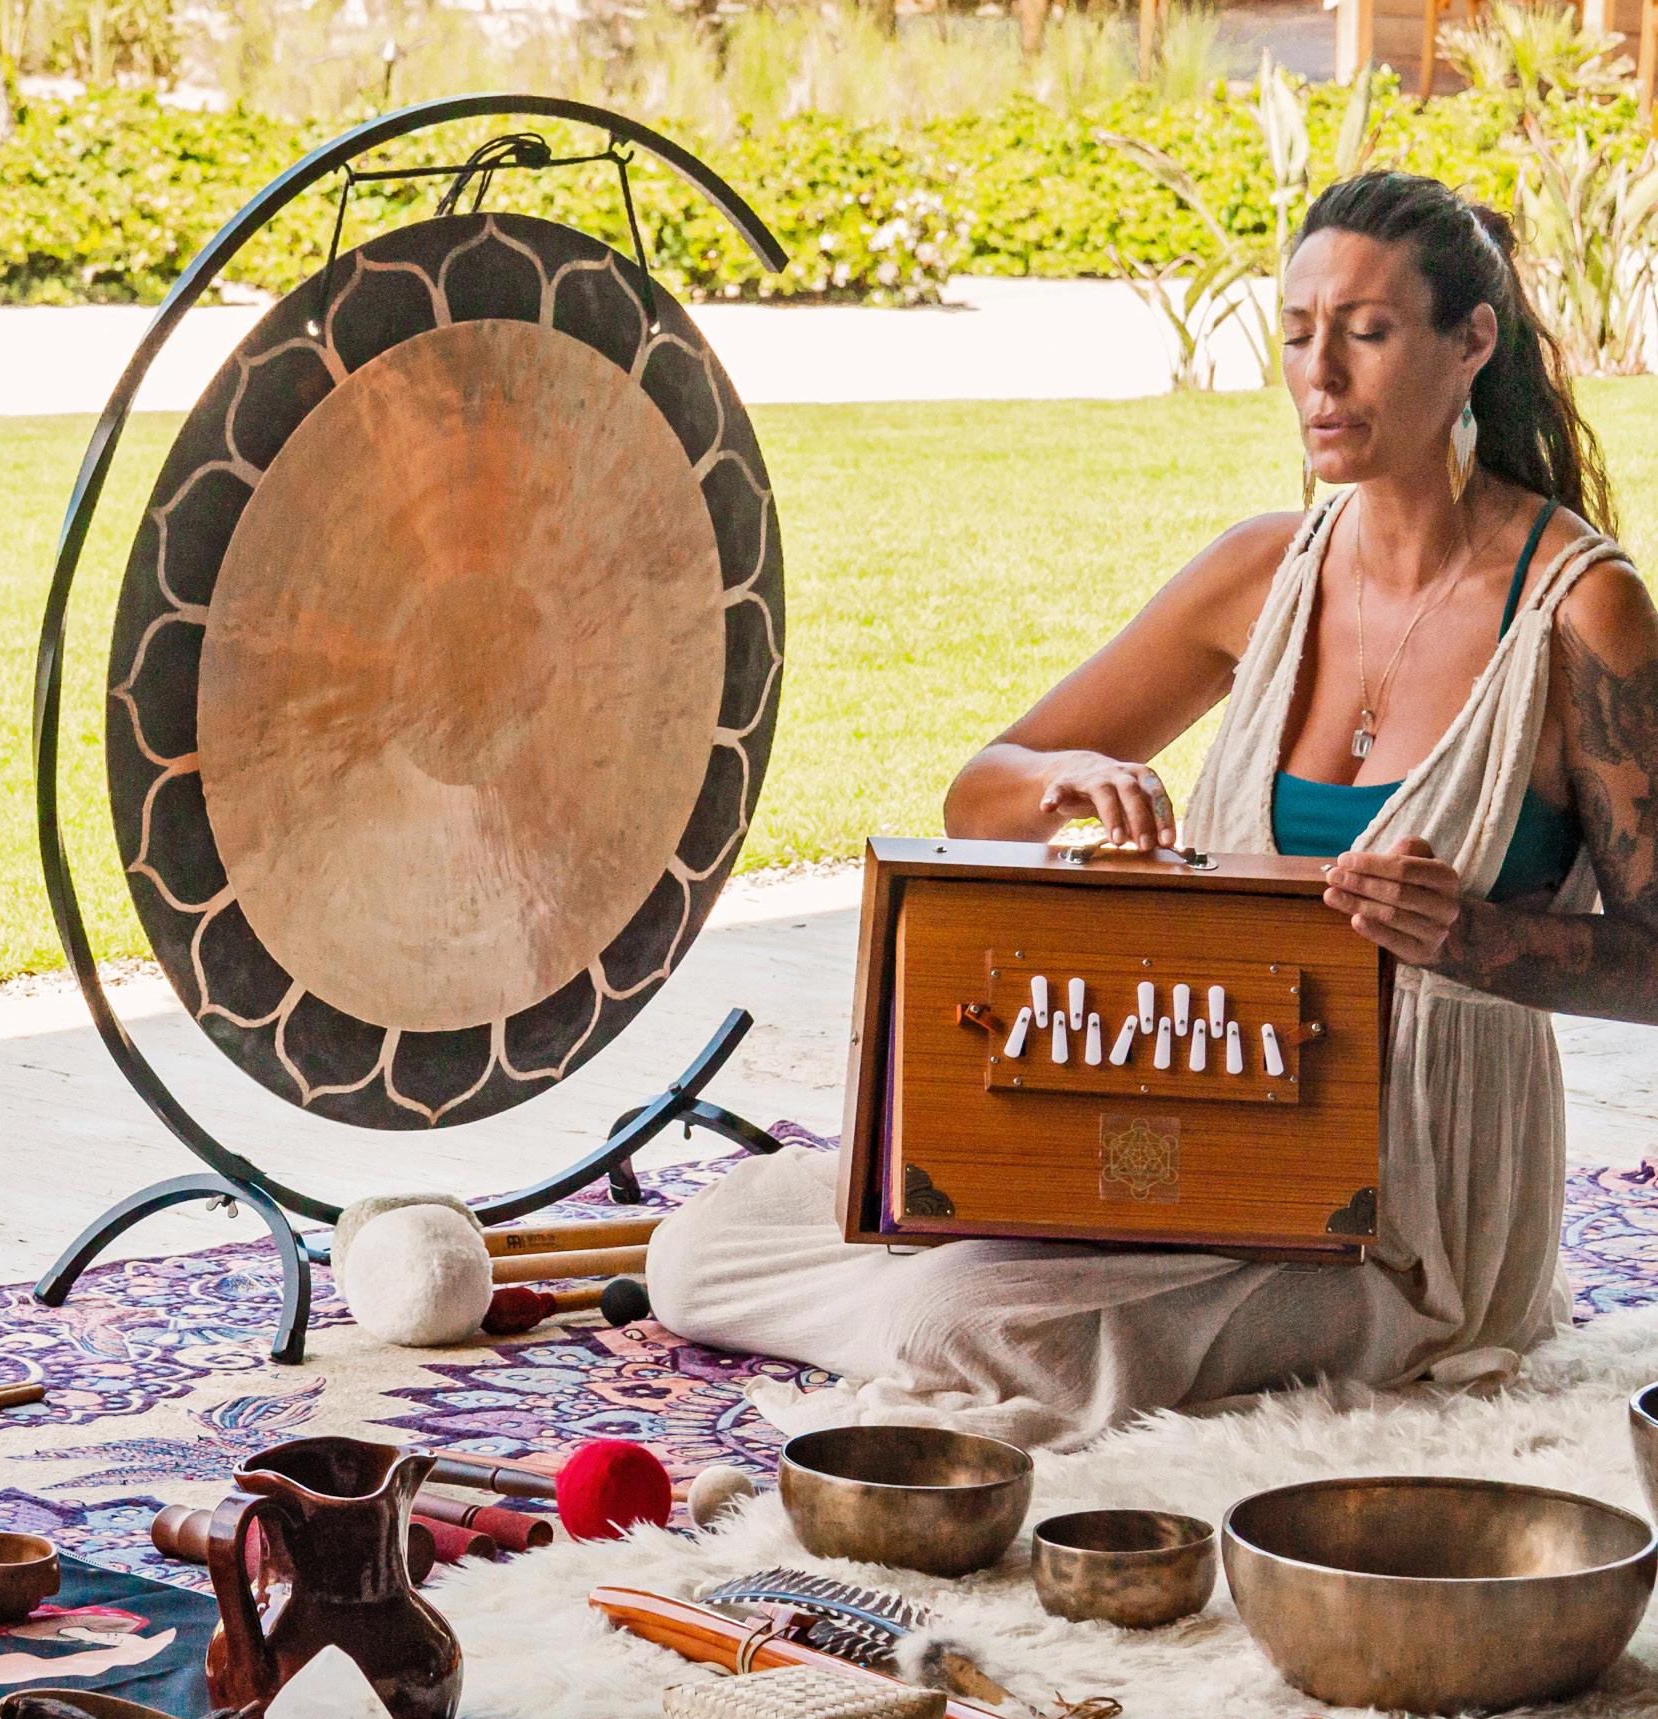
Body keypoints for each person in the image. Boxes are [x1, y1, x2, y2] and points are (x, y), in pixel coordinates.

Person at [646, 172, 1658, 1450]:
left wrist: (1479, 939)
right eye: (1297, 333)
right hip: (1202, 1121)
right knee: (701, 1247)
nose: (1319, 377)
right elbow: (982, 788)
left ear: (1470, 343)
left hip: (1410, 1208)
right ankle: (1021, 1283)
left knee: (954, 1320)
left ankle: (988, 1306)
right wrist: (1066, 783)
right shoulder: (1261, 570)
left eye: (1365, 332)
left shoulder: (1582, 612)